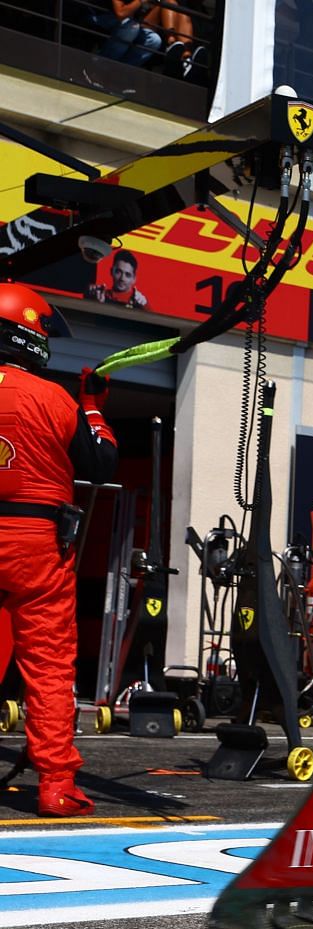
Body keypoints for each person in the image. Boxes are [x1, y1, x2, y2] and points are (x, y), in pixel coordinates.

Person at [0, 284, 117, 815]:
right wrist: (92, 407)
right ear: (29, 332)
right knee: (47, 666)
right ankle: (55, 786)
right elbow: (100, 466)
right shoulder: (56, 399)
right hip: (37, 546)